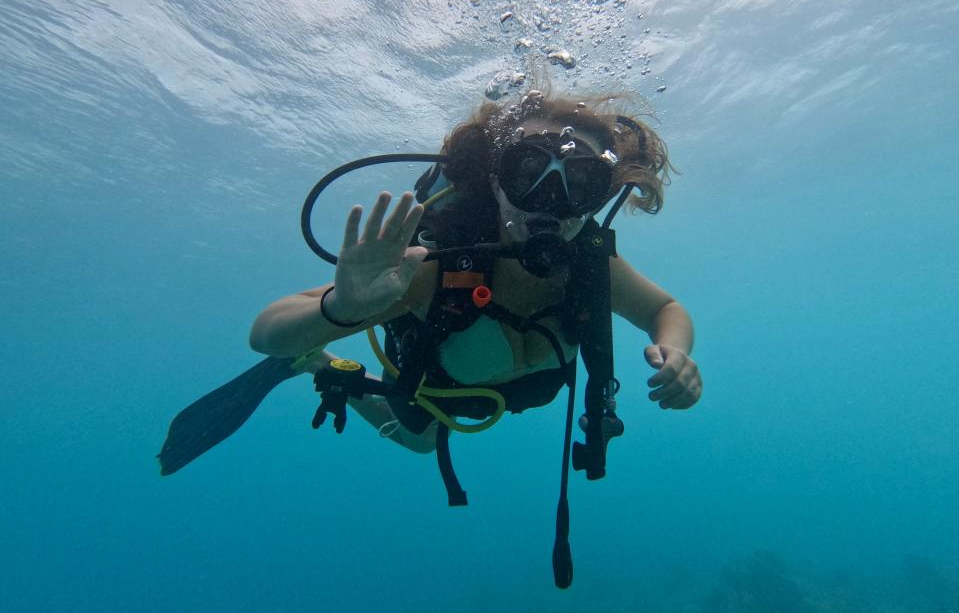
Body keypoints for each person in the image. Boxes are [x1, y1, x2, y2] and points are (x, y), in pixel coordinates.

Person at [247, 89, 702, 453]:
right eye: (528, 171)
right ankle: (318, 363)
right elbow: (266, 333)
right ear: (494, 179)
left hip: (505, 391)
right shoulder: (431, 270)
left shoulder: (590, 264)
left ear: (598, 200)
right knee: (420, 442)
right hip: (432, 391)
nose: (548, 201)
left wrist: (675, 350)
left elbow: (665, 308)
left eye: (579, 183)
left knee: (425, 445)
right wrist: (339, 310)